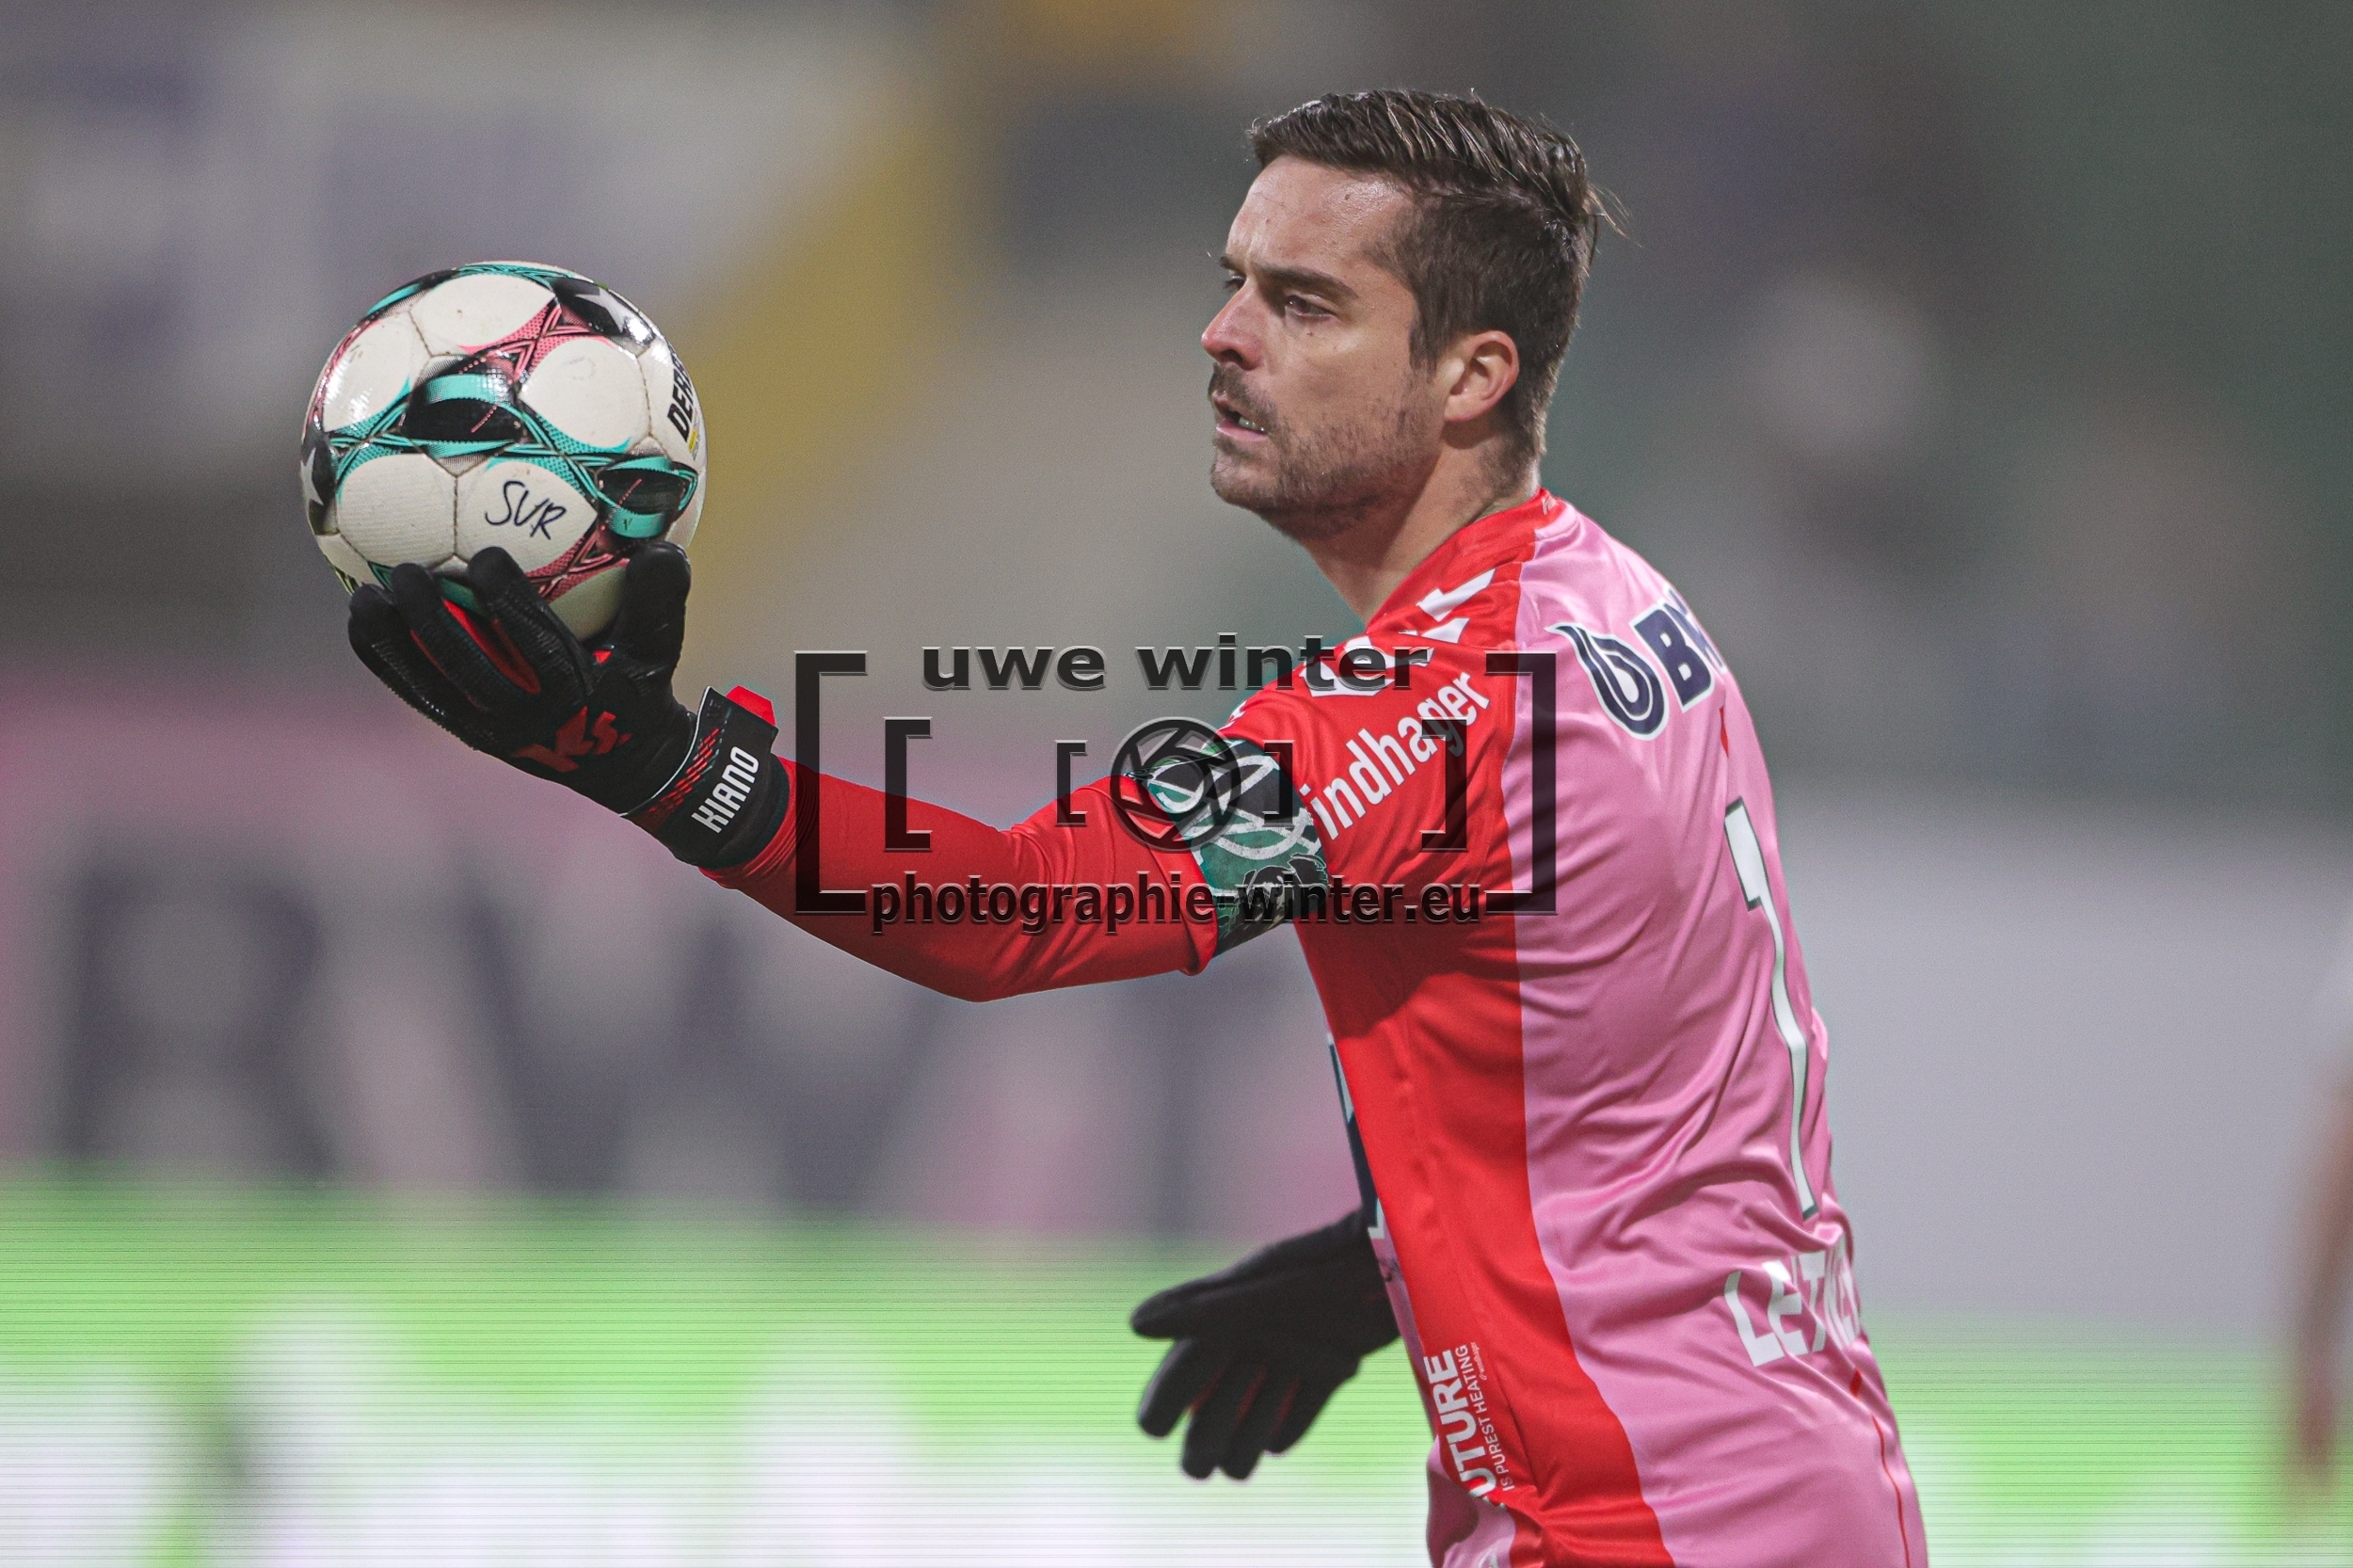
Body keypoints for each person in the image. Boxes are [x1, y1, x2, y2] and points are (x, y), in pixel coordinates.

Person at [347, 89, 1926, 1567]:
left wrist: (656, 763)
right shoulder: (1625, 606)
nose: (1224, 335)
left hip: (1641, 1521)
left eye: (1304, 304)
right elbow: (1648, 1073)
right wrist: (1389, 1263)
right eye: (1235, 282)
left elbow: (1024, 906)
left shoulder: (1444, 702)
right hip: (1794, 1483)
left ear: (1472, 375)